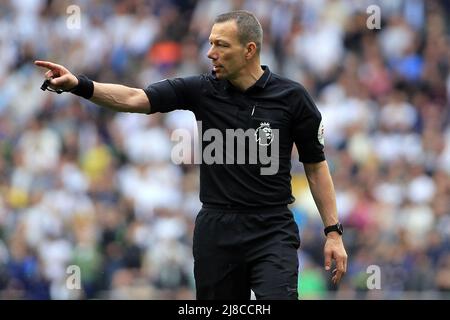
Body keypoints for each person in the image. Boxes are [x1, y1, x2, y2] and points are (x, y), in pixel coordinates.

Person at [35, 10, 347, 300]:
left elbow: (316, 167)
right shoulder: (202, 89)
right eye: (210, 43)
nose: (210, 53)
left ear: (249, 50)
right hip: (216, 231)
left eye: (221, 45)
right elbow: (135, 98)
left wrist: (332, 232)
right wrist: (79, 84)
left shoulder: (292, 98)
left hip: (272, 229)